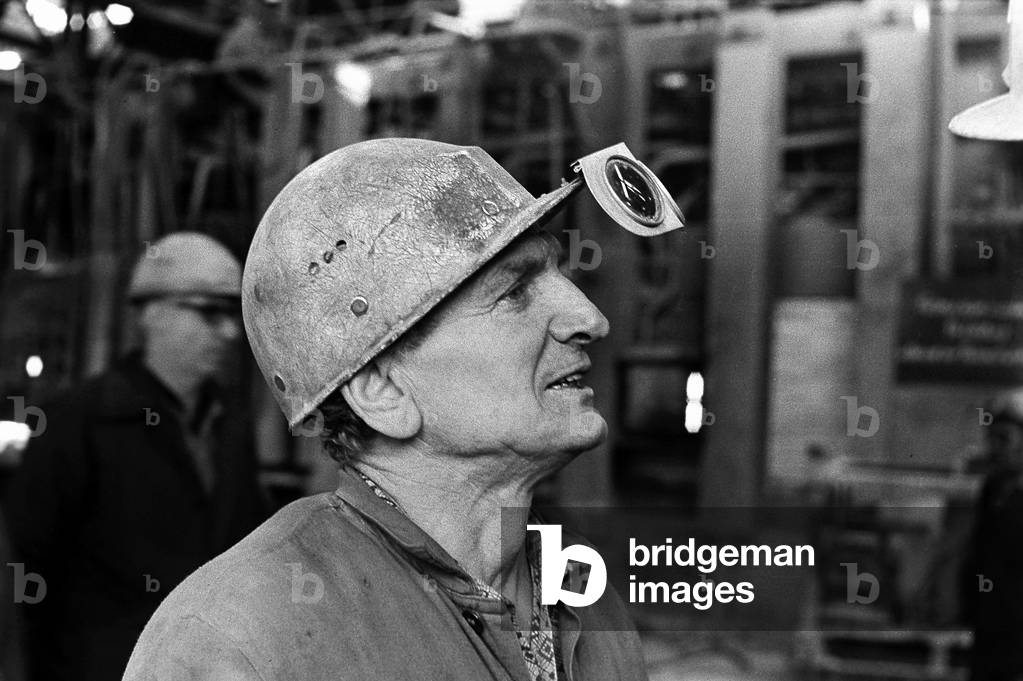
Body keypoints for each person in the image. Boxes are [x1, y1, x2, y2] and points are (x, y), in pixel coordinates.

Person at [123, 138, 683, 680]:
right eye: (513, 293)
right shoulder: (239, 643)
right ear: (383, 392)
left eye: (561, 275)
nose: (589, 318)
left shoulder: (583, 595)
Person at [3, 232, 268, 681]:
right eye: (208, 312)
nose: (228, 333)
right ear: (151, 314)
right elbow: (27, 567)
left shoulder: (230, 428)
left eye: (231, 315)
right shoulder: (81, 423)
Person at [962, 389, 1023, 681]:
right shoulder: (992, 491)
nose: (994, 448)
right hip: (989, 628)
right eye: (991, 439)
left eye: (1004, 440)